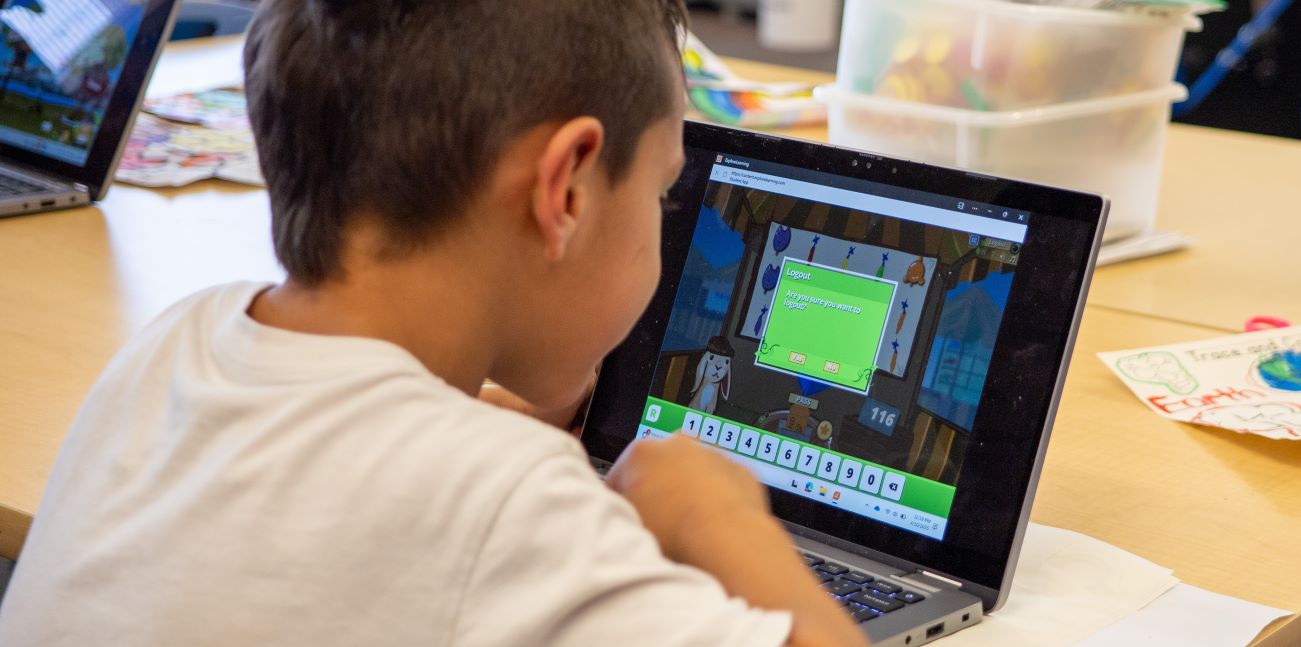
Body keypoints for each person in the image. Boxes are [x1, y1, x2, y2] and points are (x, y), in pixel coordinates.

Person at [0, 1, 864, 645]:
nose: (662, 219)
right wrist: (719, 520)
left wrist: (473, 430)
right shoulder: (510, 506)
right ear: (565, 187)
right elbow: (468, 519)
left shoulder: (172, 347)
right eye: (662, 192)